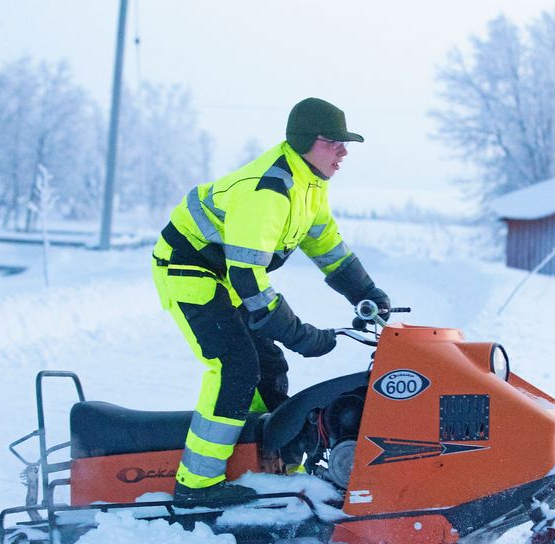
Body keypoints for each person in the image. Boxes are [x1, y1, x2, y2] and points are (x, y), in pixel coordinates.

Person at [151, 97, 391, 507]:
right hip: (188, 271)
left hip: (224, 275)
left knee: (269, 366)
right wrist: (300, 335)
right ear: (306, 141)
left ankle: (269, 460)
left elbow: (328, 247)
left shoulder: (309, 185)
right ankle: (197, 485)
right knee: (235, 367)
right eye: (335, 142)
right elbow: (248, 279)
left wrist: (366, 292)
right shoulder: (270, 190)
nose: (344, 152)